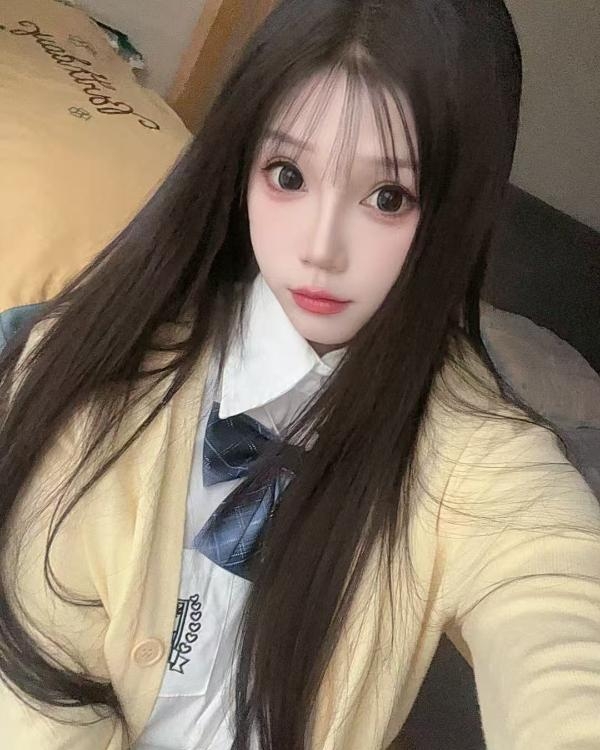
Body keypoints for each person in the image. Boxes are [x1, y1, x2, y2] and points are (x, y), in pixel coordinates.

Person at [1, 1, 599, 748]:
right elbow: (33, 689)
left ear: (457, 210)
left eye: (388, 197)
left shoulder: (476, 455)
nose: (320, 247)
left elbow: (558, 594)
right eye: (288, 175)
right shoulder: (95, 367)